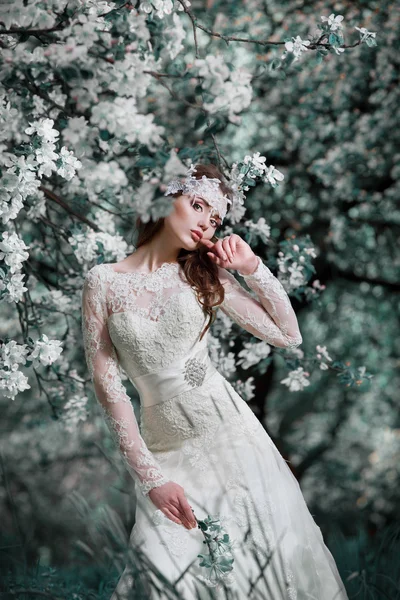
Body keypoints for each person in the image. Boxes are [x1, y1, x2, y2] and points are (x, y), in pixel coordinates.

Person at [81, 163, 349, 599]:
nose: (206, 222)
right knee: (165, 574)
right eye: (198, 205)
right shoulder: (103, 281)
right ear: (165, 198)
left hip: (232, 439)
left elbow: (287, 335)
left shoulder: (204, 275)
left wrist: (251, 266)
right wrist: (150, 478)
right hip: (165, 453)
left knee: (263, 564)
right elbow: (108, 387)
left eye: (215, 219)